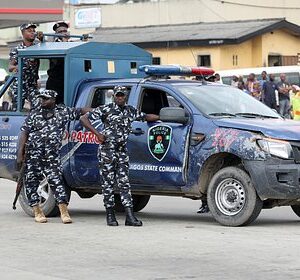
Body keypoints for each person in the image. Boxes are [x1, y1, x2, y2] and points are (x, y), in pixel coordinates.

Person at [80, 85, 159, 227]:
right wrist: (97, 134)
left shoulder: (130, 110)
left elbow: (145, 117)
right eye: (117, 95)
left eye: (122, 95)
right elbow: (84, 118)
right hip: (107, 150)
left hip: (122, 151)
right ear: (114, 96)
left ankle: (129, 216)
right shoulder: (106, 109)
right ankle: (110, 215)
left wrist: (162, 116)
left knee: (124, 182)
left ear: (126, 96)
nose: (120, 97)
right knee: (108, 183)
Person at [17, 89, 90, 224]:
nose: (42, 101)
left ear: (53, 100)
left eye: (46, 99)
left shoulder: (62, 112)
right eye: (41, 98)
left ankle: (64, 211)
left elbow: (81, 111)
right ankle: (37, 211)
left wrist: (103, 110)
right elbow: (24, 132)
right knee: (32, 181)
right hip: (34, 154)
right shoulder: (34, 113)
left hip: (51, 155)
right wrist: (19, 153)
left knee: (56, 181)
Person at [8, 23, 40, 109]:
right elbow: (10, 67)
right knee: (17, 108)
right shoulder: (17, 49)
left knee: (38, 106)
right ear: (23, 33)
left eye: (34, 31)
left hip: (32, 85)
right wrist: (18, 67)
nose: (32, 33)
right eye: (29, 31)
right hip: (20, 84)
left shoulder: (38, 48)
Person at [46, 21, 70, 105]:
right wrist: (64, 43)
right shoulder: (53, 46)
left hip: (67, 80)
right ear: (56, 34)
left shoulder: (71, 44)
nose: (64, 33)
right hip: (55, 81)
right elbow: (57, 62)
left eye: (65, 31)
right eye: (60, 32)